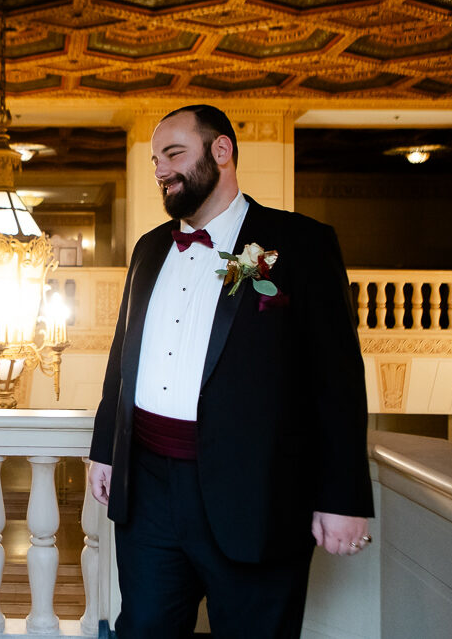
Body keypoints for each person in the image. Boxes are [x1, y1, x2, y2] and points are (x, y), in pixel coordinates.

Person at [88, 105, 374, 637]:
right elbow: (123, 356)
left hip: (257, 494)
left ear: (222, 151)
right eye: (155, 160)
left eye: (174, 154)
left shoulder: (301, 245)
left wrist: (342, 498)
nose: (161, 170)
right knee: (143, 629)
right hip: (147, 490)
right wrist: (106, 448)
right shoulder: (149, 248)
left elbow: (336, 381)